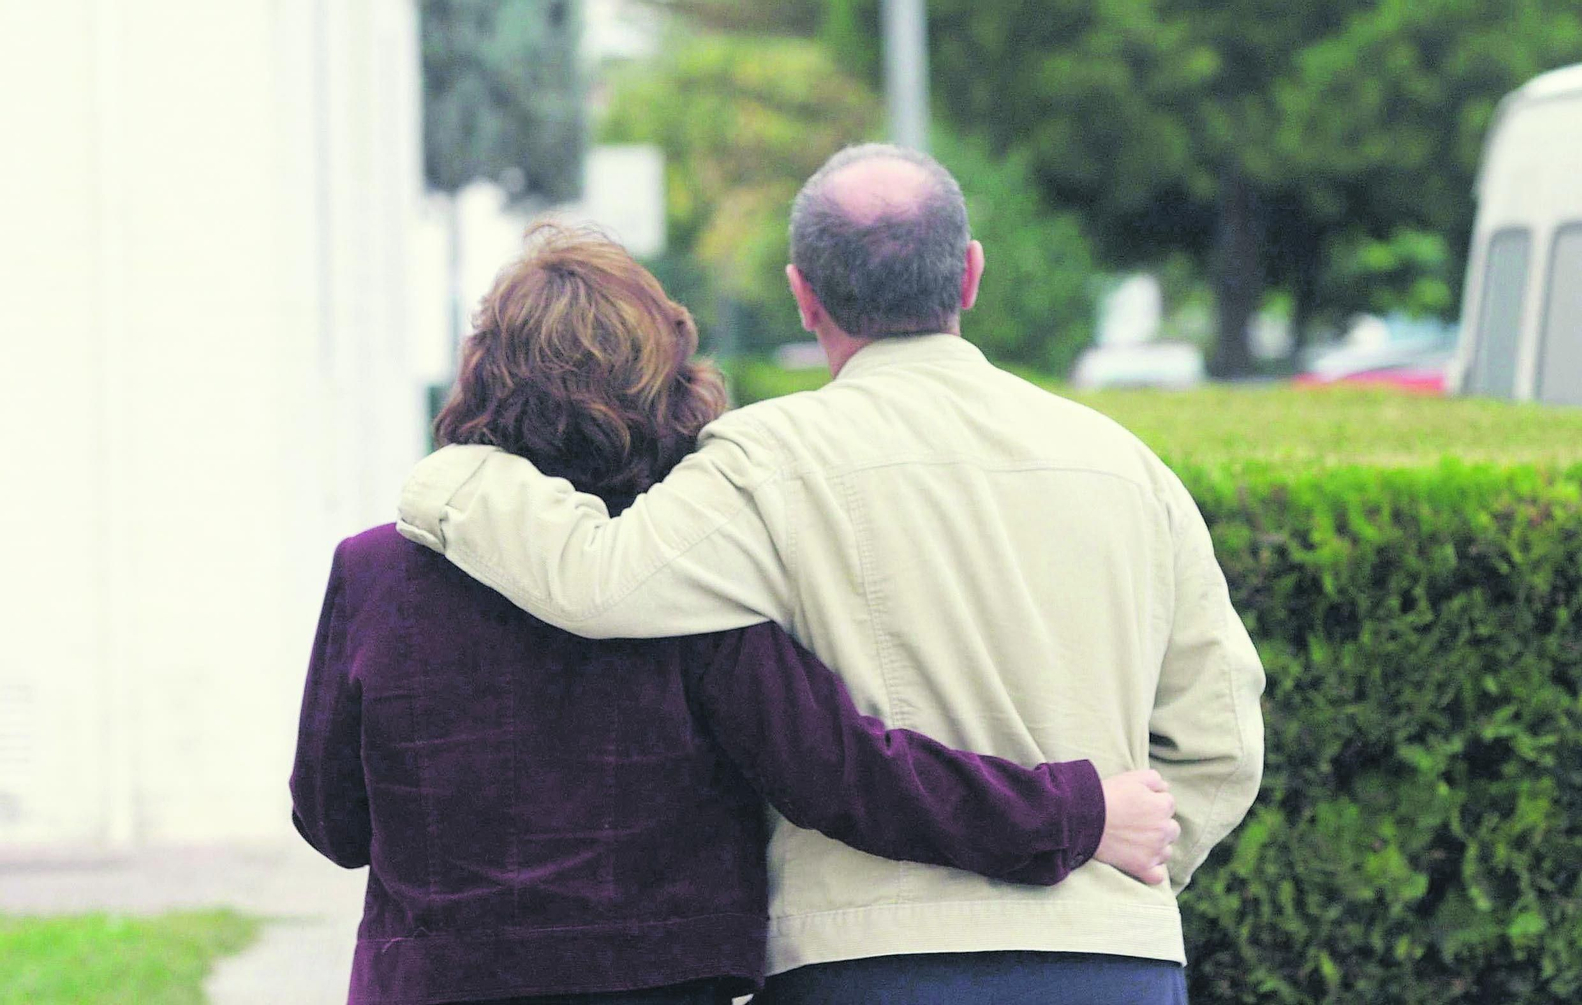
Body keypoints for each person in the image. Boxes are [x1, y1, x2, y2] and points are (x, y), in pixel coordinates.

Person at [397, 146, 1266, 1003]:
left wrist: (455, 478)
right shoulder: (1126, 464)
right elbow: (1222, 728)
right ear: (969, 274)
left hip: (868, 962)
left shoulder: (765, 458)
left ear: (803, 292)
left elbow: (597, 582)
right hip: (1115, 962)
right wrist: (1125, 854)